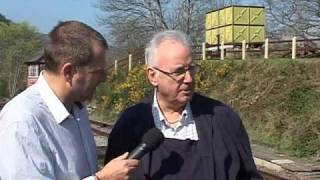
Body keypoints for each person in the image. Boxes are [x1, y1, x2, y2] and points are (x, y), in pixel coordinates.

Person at [104, 30, 262, 180]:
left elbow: (248, 175)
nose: (189, 79)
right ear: (153, 76)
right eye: (179, 71)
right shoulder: (130, 123)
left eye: (191, 69)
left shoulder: (222, 118)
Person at [0, 21, 138, 180]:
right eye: (97, 72)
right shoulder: (23, 122)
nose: (104, 78)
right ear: (69, 72)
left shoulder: (77, 108)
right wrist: (102, 178)